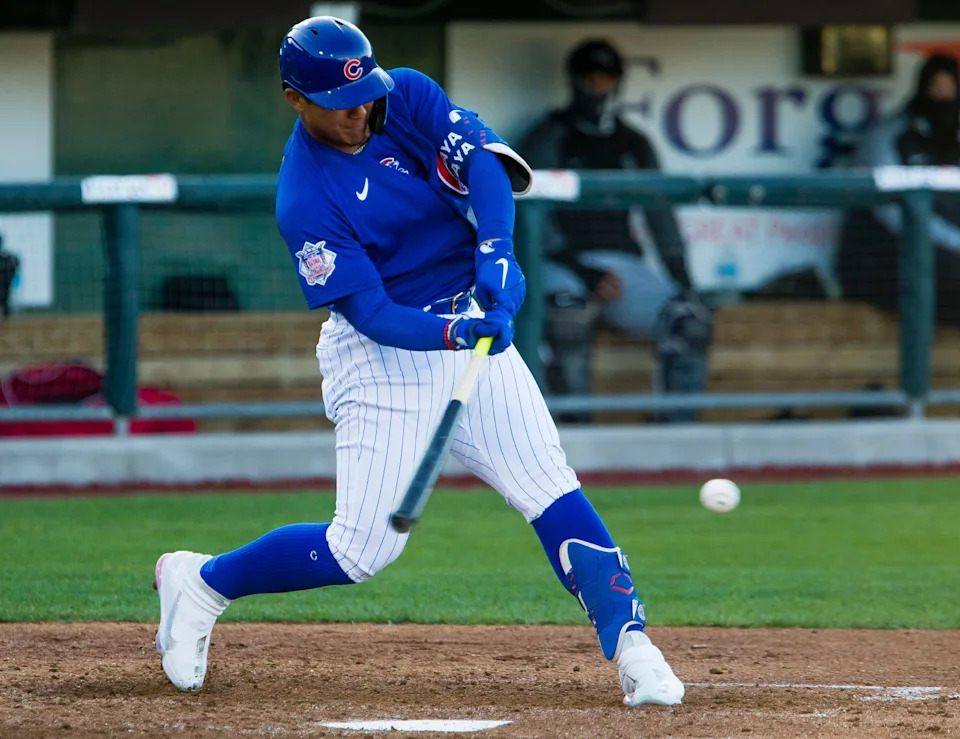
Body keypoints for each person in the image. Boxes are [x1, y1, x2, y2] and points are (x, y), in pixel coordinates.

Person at [151, 16, 684, 708]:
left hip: (470, 317)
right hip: (381, 356)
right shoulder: (305, 197)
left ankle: (636, 649)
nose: (360, 113)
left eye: (365, 96)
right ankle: (204, 581)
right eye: (341, 106)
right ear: (296, 99)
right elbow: (370, 313)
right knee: (361, 550)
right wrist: (458, 334)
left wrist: (497, 253)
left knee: (549, 485)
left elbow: (487, 166)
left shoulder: (401, 96)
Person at [519, 39, 713, 423]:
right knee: (567, 313)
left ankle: (676, 440)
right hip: (562, 264)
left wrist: (682, 279)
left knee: (690, 320)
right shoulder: (549, 136)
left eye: (606, 79)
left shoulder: (634, 143)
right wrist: (585, 273)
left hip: (623, 268)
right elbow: (527, 216)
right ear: (574, 81)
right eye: (590, 78)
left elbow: (661, 216)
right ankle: (570, 434)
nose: (598, 88)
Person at [837, 53, 960, 325]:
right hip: (888, 260)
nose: (943, 97)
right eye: (935, 88)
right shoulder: (888, 137)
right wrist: (955, 243)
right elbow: (893, 214)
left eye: (950, 89)